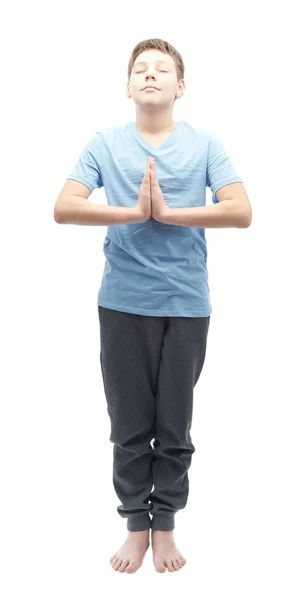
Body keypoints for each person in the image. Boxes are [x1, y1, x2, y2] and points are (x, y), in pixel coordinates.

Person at [54, 38, 252, 574]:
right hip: (122, 303)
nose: (149, 74)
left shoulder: (205, 143)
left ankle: (164, 524)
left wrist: (168, 214)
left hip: (186, 304)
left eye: (161, 69)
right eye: (139, 68)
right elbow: (64, 206)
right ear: (127, 86)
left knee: (174, 422)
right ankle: (134, 525)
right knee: (129, 422)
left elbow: (241, 211)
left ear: (179, 87)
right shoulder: (105, 141)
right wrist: (133, 211)